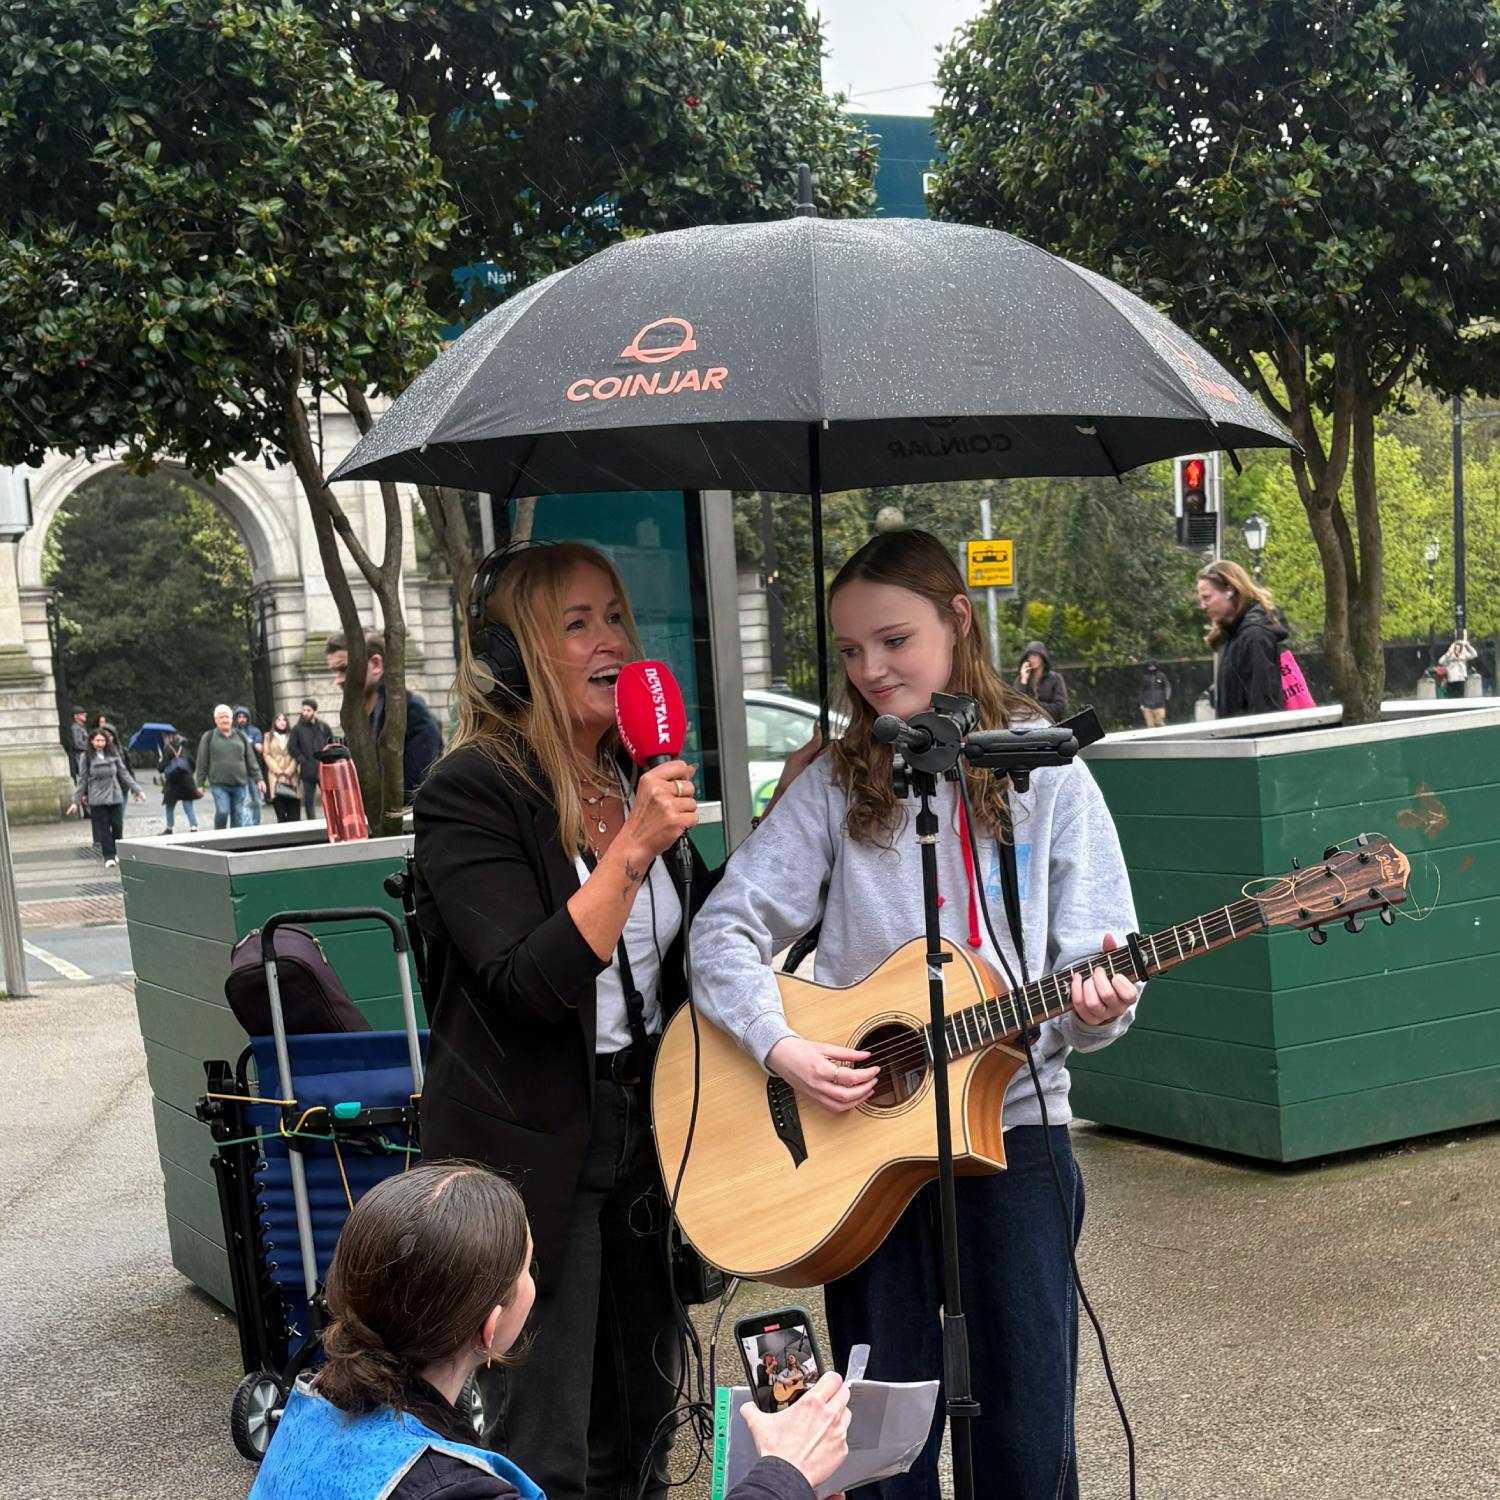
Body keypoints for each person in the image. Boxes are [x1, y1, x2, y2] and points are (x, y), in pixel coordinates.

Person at [690, 529, 1140, 1500]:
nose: (870, 670)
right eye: (850, 652)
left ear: (958, 621)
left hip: (1015, 1141)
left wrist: (1097, 1010)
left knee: (1027, 1440)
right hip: (860, 1162)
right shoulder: (833, 783)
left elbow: (1091, 975)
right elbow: (719, 933)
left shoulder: (1051, 775)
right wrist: (781, 1047)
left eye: (893, 640)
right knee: (878, 1449)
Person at [413, 541, 736, 1500]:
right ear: (513, 660)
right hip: (535, 1153)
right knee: (546, 1444)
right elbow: (527, 982)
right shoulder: (471, 792)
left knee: (642, 1425)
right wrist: (633, 844)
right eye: (577, 624)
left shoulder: (634, 771)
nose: (612, 642)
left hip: (650, 1129)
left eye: (616, 618)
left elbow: (702, 948)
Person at [250, 1161, 851, 1500]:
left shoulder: (310, 1411)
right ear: (491, 1327)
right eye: (527, 1268)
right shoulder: (450, 1491)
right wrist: (784, 1473)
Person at [327, 630, 443, 803]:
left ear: (376, 664)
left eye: (344, 669)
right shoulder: (359, 717)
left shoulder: (411, 713)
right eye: (335, 671)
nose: (338, 680)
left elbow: (413, 790)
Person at [1196, 559, 1286, 718]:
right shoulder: (1230, 636)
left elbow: (1264, 708)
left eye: (1207, 597)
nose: (1203, 606)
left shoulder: (1254, 637)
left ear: (1229, 591)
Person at [66, 729, 146, 867]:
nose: (100, 743)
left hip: (114, 794)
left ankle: (118, 853)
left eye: (102, 740)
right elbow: (82, 780)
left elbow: (124, 773)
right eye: (97, 740)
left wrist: (137, 789)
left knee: (117, 825)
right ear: (91, 741)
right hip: (98, 797)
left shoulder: (113, 753)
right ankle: (108, 856)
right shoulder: (86, 757)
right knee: (103, 828)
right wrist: (75, 801)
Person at [197, 703, 266, 829]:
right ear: (216, 720)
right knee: (223, 812)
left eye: (227, 717)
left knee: (237, 816)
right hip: (219, 784)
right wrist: (199, 784)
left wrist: (259, 779)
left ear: (231, 719)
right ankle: (219, 837)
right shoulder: (209, 737)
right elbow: (202, 762)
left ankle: (236, 843)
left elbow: (251, 760)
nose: (225, 720)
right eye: (221, 717)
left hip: (239, 784)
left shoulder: (241, 736)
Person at [288, 698, 333, 817]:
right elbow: (292, 747)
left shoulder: (324, 727)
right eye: (304, 710)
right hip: (307, 770)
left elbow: (331, 744)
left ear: (315, 711)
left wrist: (328, 760)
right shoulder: (297, 729)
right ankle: (312, 822)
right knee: (309, 800)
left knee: (329, 799)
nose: (305, 713)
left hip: (324, 768)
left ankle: (332, 819)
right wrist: (302, 759)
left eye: (308, 710)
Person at [262, 712, 302, 823]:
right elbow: (266, 754)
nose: (282, 722)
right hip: (275, 777)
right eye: (279, 720)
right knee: (281, 812)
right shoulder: (268, 736)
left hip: (291, 777)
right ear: (275, 722)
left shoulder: (293, 735)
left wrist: (290, 770)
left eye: (284, 720)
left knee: (294, 813)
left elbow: (297, 753)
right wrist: (278, 770)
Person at [1014, 639, 1067, 718]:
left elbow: (1060, 708)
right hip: (1027, 725)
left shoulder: (1055, 678)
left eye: (1035, 655)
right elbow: (1016, 705)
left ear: (1042, 657)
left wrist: (1033, 705)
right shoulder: (1021, 679)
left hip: (1051, 725)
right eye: (1030, 656)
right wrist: (1023, 680)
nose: (1032, 659)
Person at [159, 733, 200, 835]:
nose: (163, 740)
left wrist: (160, 761)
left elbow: (161, 768)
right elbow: (193, 764)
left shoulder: (167, 750)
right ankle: (193, 827)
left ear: (169, 738)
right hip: (187, 781)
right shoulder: (184, 749)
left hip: (173, 782)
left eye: (164, 738)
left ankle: (169, 828)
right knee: (188, 806)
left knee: (169, 806)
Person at [233, 706, 267, 823]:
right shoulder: (233, 732)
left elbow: (260, 748)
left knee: (256, 800)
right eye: (239, 717)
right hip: (239, 771)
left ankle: (256, 823)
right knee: (244, 801)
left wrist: (254, 744)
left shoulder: (255, 731)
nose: (242, 719)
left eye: (244, 717)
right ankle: (246, 824)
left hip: (253, 771)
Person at [1139, 659, 1171, 727]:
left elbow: (1167, 686)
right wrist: (1141, 703)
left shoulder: (1161, 676)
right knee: (1150, 725)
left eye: (1153, 666)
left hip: (1159, 704)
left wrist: (1167, 696)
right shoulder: (1145, 677)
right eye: (1150, 666)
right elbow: (1142, 691)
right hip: (1147, 705)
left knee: (1159, 722)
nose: (1151, 668)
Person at [66, 709, 89, 779]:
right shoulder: (76, 728)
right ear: (76, 716)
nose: (85, 715)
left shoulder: (81, 727)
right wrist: (90, 746)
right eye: (81, 714)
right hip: (80, 757)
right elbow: (78, 744)